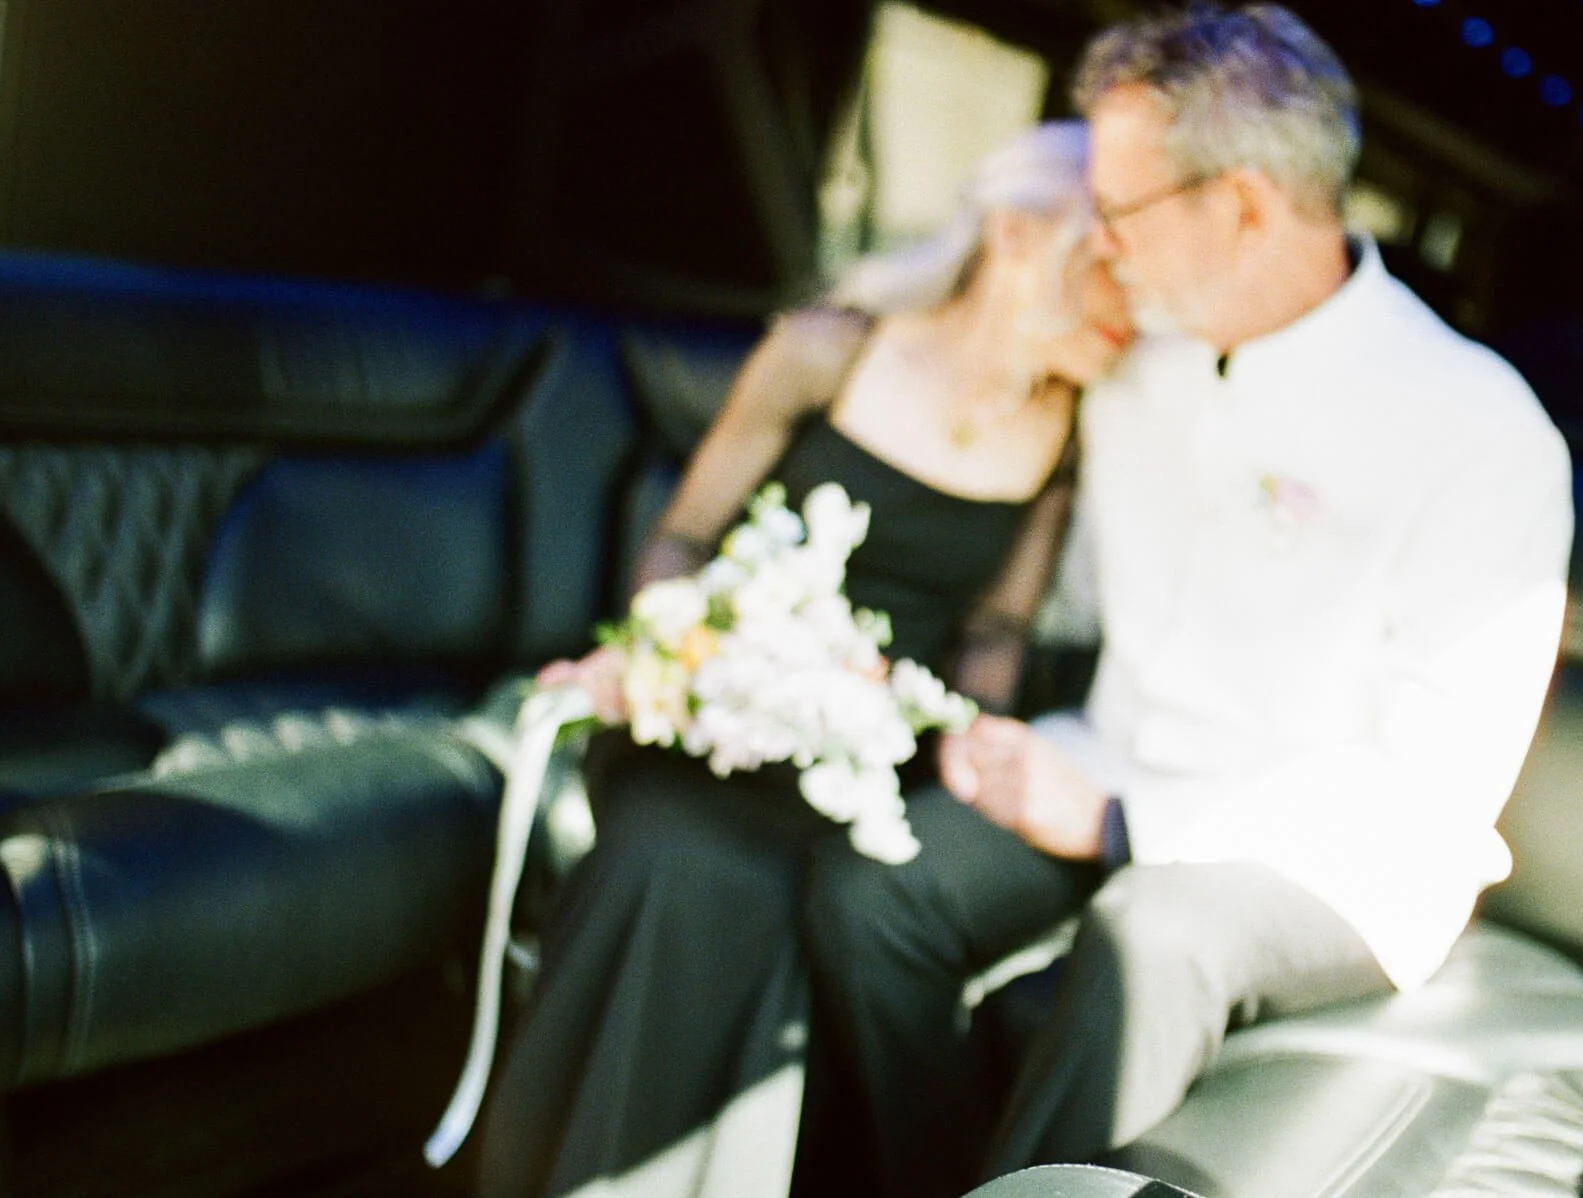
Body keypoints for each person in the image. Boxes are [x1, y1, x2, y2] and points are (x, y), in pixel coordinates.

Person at [801, 3, 1575, 1192]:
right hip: (1103, 759)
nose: (1100, 245)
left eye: (1120, 212)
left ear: (1245, 206)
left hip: (1340, 859)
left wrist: (1121, 828)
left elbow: (1433, 784)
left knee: (1152, 934)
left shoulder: (1480, 428)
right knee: (877, 889)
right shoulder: (1134, 363)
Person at [470, 119, 1135, 1198]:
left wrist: (956, 741)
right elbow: (684, 539)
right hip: (712, 727)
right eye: (1106, 272)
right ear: (1017, 237)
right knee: (684, 864)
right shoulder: (830, 348)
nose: (1131, 312)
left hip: (873, 759)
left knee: (844, 897)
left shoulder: (1068, 430)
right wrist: (674, 663)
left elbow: (994, 635)